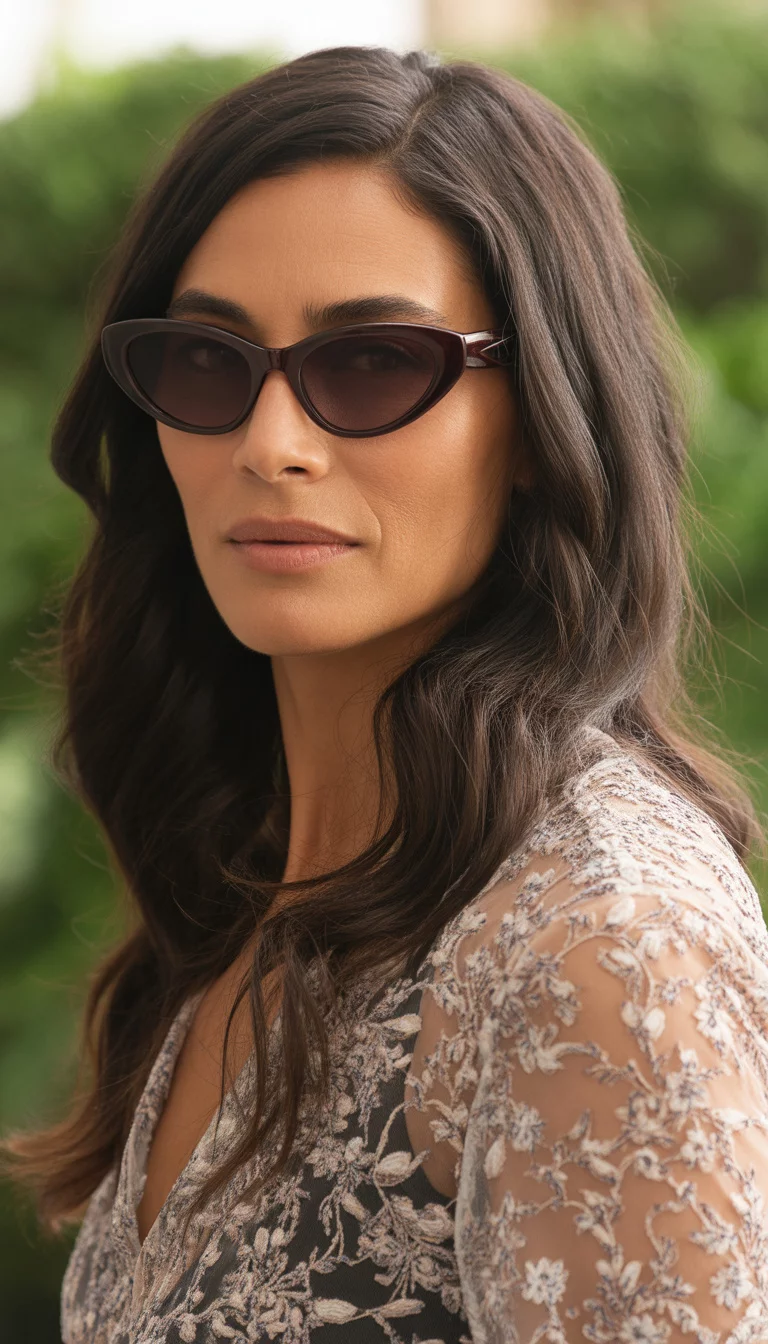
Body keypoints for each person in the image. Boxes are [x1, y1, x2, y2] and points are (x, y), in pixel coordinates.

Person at [3, 42, 768, 1344]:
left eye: (371, 365)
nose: (271, 443)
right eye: (206, 363)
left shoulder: (599, 952)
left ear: (537, 418)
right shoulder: (250, 893)